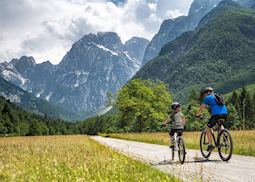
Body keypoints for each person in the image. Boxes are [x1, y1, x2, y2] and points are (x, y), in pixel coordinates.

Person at [196, 87, 228, 151]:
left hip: (216, 115)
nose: (203, 95)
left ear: (206, 93)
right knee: (220, 124)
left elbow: (202, 108)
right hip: (225, 114)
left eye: (203, 94)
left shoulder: (207, 98)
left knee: (208, 127)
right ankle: (224, 134)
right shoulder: (217, 96)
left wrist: (197, 115)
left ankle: (210, 145)